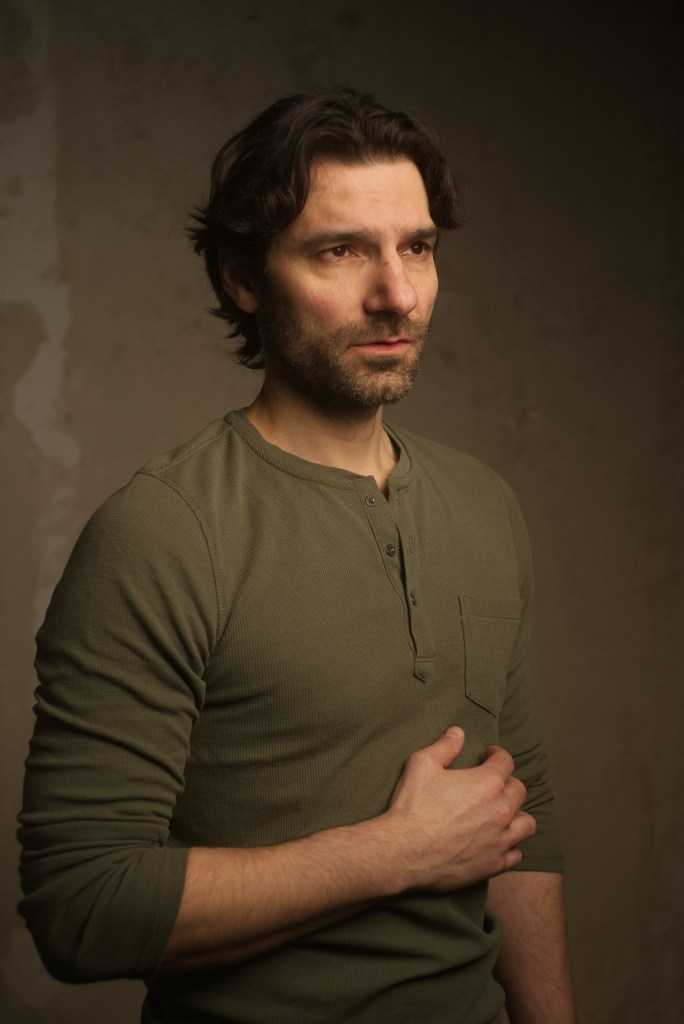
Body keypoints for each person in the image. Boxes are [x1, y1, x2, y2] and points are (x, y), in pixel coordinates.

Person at [19, 87, 576, 1024]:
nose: (396, 294)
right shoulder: (164, 531)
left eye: (417, 248)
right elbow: (82, 908)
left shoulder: (484, 506)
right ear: (244, 277)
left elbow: (520, 819)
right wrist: (394, 853)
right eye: (340, 251)